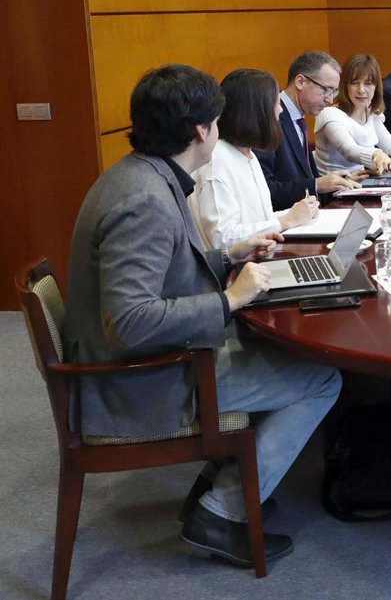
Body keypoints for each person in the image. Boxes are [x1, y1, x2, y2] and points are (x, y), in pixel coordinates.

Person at [62, 64, 342, 568]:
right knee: (322, 379)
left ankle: (222, 481)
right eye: (216, 122)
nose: (220, 130)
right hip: (138, 381)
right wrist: (229, 300)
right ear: (200, 131)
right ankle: (221, 512)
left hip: (151, 359)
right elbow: (128, 321)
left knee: (272, 349)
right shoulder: (143, 201)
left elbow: (165, 271)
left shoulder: (141, 174)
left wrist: (229, 255)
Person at [189, 69, 319, 250]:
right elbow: (221, 239)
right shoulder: (217, 160)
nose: (280, 110)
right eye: (276, 103)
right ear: (257, 112)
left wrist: (296, 213)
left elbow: (258, 220)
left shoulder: (247, 153)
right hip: (237, 268)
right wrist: (285, 221)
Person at [256, 51, 364, 209]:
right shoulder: (269, 118)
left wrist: (337, 183)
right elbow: (264, 191)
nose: (330, 100)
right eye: (326, 90)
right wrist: (316, 185)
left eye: (334, 91)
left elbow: (303, 179)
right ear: (300, 82)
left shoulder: (298, 118)